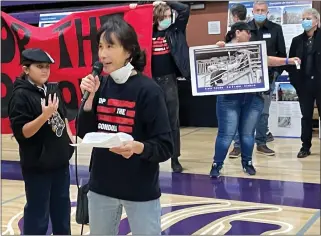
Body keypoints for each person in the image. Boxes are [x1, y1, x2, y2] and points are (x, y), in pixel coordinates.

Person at [77, 15, 173, 235]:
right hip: (102, 187)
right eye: (100, 46)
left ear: (129, 51)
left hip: (140, 189)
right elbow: (85, 133)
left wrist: (138, 147)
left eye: (111, 46)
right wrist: (89, 100)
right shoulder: (99, 85)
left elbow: (165, 147)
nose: (103, 53)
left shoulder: (148, 91)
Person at [210, 22, 301, 178]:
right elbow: (211, 61)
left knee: (247, 134)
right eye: (248, 32)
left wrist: (288, 61)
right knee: (226, 134)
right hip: (229, 99)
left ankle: (247, 163)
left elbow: (268, 60)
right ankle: (217, 165)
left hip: (253, 98)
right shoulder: (223, 48)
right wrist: (217, 48)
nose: (250, 35)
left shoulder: (253, 49)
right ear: (237, 32)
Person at [8, 48, 74, 235]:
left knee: (62, 214)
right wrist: (44, 116)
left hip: (60, 163)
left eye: (47, 67)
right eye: (39, 67)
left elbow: (64, 116)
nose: (45, 70)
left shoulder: (53, 88)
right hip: (38, 166)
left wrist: (69, 139)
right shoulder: (20, 95)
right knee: (38, 217)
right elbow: (22, 132)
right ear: (26, 69)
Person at [131, 0, 190, 173]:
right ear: (155, 18)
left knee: (173, 120)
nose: (167, 19)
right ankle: (146, 153)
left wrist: (166, 1)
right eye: (163, 17)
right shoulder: (146, 32)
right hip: (149, 80)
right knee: (145, 118)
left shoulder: (175, 30)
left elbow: (185, 9)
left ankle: (174, 158)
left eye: (168, 16)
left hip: (169, 80)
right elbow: (136, 16)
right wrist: (147, 4)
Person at [287, 8, 321, 158]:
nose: (304, 21)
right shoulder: (296, 40)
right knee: (306, 116)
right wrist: (296, 84)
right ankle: (305, 147)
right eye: (303, 18)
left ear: (316, 21)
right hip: (304, 85)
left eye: (308, 18)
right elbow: (290, 65)